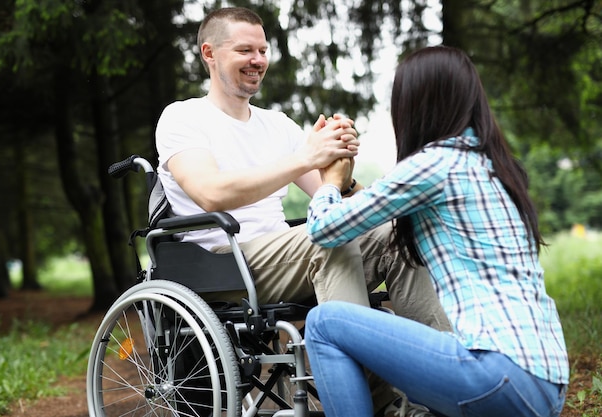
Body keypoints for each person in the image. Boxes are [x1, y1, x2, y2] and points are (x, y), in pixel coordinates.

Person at [155, 7, 449, 415]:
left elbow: (335, 200)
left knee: (396, 237)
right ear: (209, 53)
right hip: (221, 262)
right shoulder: (183, 117)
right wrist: (305, 157)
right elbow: (210, 194)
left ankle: (439, 393)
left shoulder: (278, 125)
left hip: (281, 254)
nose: (258, 60)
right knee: (327, 240)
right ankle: (373, 408)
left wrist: (341, 168)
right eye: (244, 50)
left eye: (262, 50)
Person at [304, 45, 569, 417]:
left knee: (323, 323)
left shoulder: (434, 165)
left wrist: (330, 183)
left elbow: (324, 229)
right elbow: (384, 212)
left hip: (497, 374)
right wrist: (349, 187)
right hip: (546, 382)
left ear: (414, 104)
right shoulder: (495, 166)